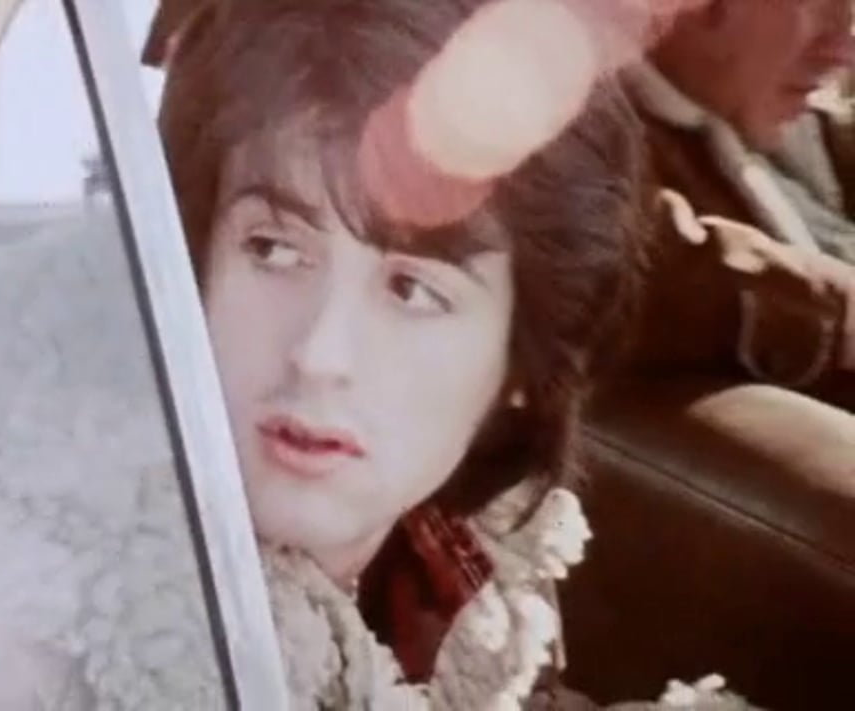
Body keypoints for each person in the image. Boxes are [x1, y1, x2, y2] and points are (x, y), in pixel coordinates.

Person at [156, 0, 750, 707]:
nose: (319, 352)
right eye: (273, 249)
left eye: (412, 290)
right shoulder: (100, 623)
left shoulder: (475, 580)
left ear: (523, 363)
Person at [623, 0, 855, 408]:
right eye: (819, 6)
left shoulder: (757, 100)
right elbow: (615, 258)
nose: (843, 52)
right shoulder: (577, 146)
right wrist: (839, 311)